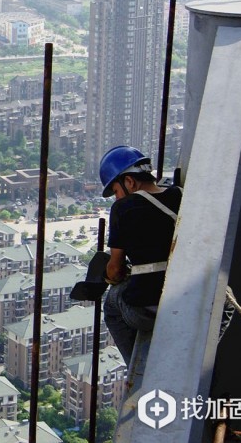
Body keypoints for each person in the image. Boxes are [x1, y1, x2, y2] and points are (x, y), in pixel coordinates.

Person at [99, 145, 182, 364]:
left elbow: (115, 269)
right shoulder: (181, 195)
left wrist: (111, 277)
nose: (117, 198)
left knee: (112, 304)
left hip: (147, 309)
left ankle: (136, 367)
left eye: (116, 191)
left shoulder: (123, 209)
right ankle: (201, 353)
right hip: (185, 300)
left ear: (129, 182)